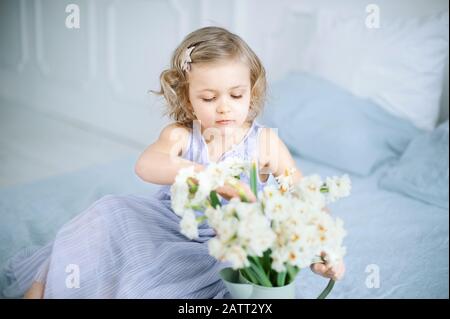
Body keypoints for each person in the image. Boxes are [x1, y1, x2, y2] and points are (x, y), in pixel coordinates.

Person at [6, 26, 344, 299]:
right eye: (209, 98)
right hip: (167, 225)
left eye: (236, 95)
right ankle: (41, 289)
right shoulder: (183, 135)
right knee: (108, 215)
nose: (224, 107)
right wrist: (210, 177)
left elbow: (304, 198)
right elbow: (147, 165)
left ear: (252, 94)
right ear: (188, 98)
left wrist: (324, 249)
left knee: (159, 280)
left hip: (225, 247)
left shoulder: (265, 143)